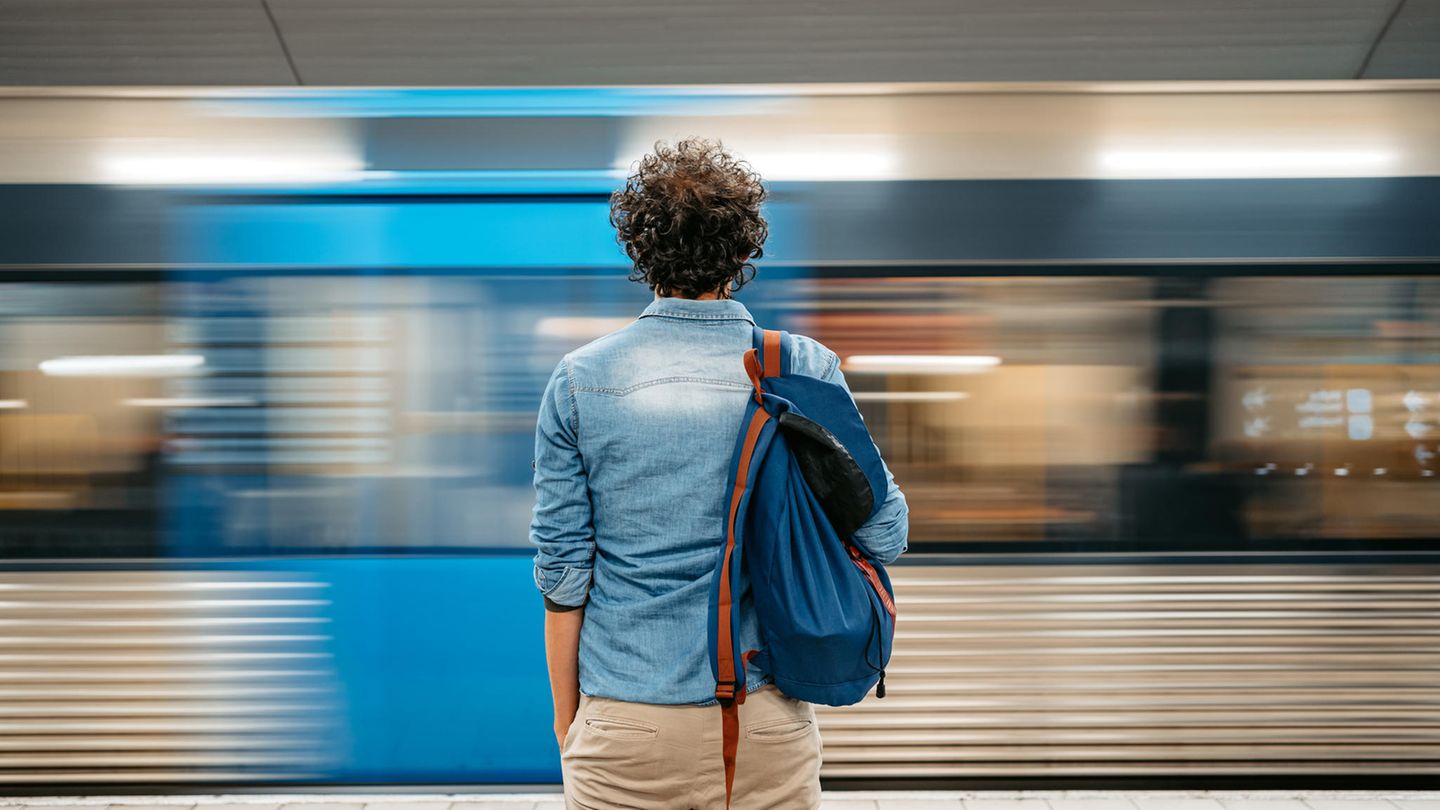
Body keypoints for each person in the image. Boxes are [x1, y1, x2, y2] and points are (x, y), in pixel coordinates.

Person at [529, 138, 909, 810]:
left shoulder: (580, 379)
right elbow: (886, 535)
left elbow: (564, 575)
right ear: (742, 252)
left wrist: (570, 722)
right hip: (764, 720)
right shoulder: (801, 367)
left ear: (641, 253)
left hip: (624, 721)